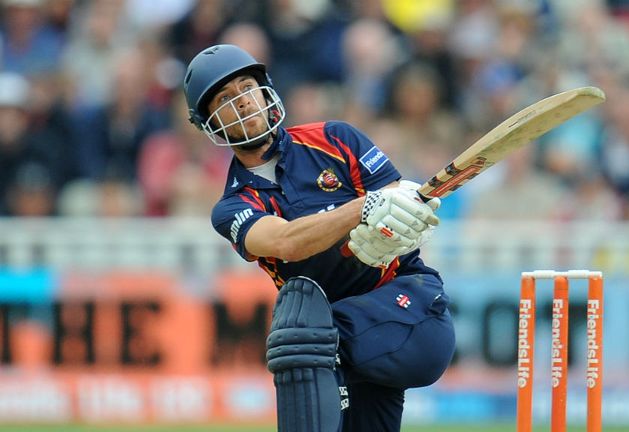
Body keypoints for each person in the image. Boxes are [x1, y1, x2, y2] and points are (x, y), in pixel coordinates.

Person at [183, 44, 455, 432]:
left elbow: (398, 203)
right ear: (207, 122)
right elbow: (286, 243)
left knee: (299, 335)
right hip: (338, 348)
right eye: (224, 99)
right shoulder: (231, 207)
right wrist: (363, 208)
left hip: (408, 310)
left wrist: (395, 221)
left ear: (265, 91)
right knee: (303, 317)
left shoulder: (335, 139)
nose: (241, 103)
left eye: (246, 88)